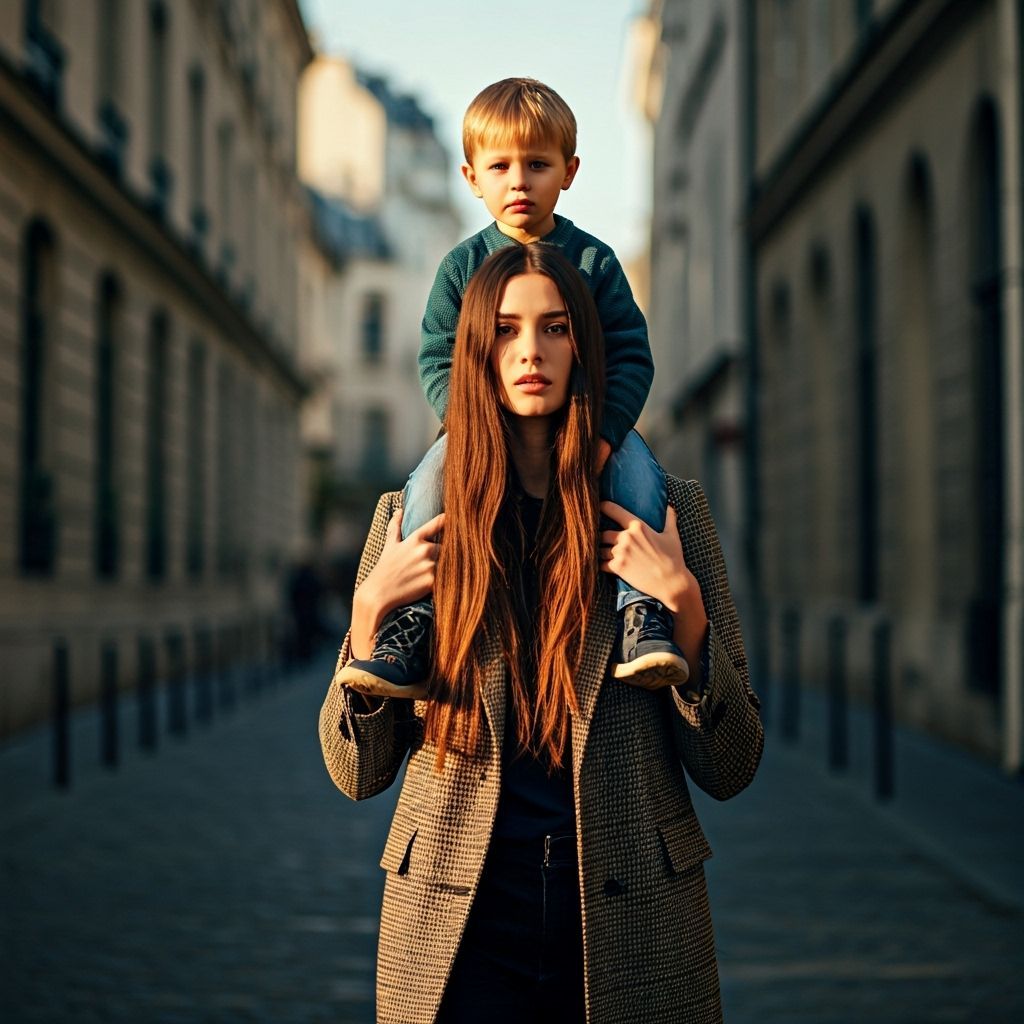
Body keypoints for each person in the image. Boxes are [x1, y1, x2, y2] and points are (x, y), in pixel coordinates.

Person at [319, 244, 764, 1024]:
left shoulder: (666, 513)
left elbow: (732, 766)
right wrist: (366, 623)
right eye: (505, 331)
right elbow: (356, 774)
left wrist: (684, 611)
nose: (530, 351)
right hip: (457, 927)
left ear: (585, 347)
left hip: (635, 926)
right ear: (472, 353)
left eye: (556, 328)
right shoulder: (410, 521)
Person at [337, 77, 687, 699]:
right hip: (477, 436)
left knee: (640, 474)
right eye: (501, 166)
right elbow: (438, 361)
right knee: (428, 480)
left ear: (570, 172)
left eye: (537, 164)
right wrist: (474, 431)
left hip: (593, 428)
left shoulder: (594, 262)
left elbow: (632, 356)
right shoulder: (461, 268)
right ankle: (413, 624)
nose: (519, 181)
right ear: (472, 178)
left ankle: (643, 613)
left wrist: (603, 436)